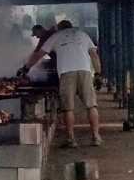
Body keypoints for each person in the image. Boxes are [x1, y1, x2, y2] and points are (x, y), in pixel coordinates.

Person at [22, 19, 103, 148]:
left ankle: (71, 139)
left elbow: (39, 54)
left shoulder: (56, 36)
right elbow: (94, 55)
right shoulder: (83, 35)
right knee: (91, 106)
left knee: (68, 108)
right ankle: (96, 137)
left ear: (59, 28)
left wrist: (26, 67)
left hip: (66, 72)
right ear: (71, 27)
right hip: (85, 71)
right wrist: (98, 74)